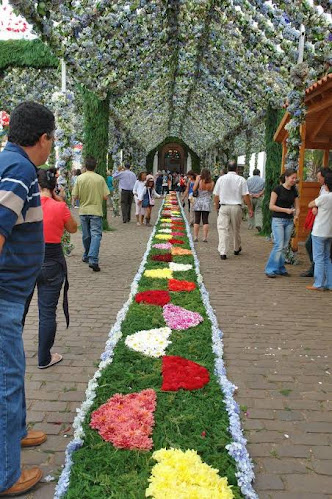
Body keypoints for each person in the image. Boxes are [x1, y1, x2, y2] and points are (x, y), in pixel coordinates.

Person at [0, 101, 55, 496]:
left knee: (13, 372)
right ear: (43, 138)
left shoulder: (12, 163)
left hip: (12, 294)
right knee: (5, 380)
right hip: (3, 296)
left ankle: (16, 434)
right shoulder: (19, 170)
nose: (52, 146)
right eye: (52, 139)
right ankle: (6, 474)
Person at [24, 169, 77, 368]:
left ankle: (8, 354)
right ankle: (44, 358)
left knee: (19, 309)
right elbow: (72, 228)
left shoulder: (27, 204)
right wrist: (57, 200)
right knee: (47, 312)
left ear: (36, 185)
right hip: (52, 261)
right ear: (54, 186)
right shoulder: (60, 206)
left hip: (27, 259)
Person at [72, 156, 109, 272]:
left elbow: (75, 196)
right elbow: (105, 196)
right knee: (96, 235)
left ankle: (87, 255)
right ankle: (92, 258)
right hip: (96, 210)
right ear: (95, 166)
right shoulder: (100, 179)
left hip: (83, 210)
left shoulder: (80, 178)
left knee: (86, 235)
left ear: (85, 166)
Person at [214, 160, 253, 260]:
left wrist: (216, 207)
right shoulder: (241, 179)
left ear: (227, 168)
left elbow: (216, 195)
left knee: (223, 229)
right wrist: (250, 208)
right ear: (237, 169)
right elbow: (246, 195)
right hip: (236, 206)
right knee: (236, 228)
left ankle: (223, 251)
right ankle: (236, 248)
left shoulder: (221, 179)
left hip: (224, 206)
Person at [265, 168, 300, 278]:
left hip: (289, 221)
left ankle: (280, 267)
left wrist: (296, 215)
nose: (294, 180)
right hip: (278, 220)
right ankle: (270, 268)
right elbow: (271, 206)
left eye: (295, 178)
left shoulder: (294, 191)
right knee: (279, 245)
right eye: (292, 178)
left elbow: (297, 207)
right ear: (286, 177)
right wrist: (285, 210)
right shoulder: (277, 189)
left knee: (285, 246)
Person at [301, 167, 331, 277]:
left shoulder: (327, 192)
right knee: (325, 253)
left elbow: (313, 203)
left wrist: (315, 206)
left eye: (319, 178)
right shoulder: (323, 189)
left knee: (315, 249)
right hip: (322, 223)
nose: (318, 180)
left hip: (322, 225)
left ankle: (318, 277)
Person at [306, 172, 332, 291]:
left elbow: (310, 204)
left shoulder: (325, 197)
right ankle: (330, 283)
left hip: (319, 231)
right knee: (327, 258)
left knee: (318, 258)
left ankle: (318, 283)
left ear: (326, 184)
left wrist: (315, 207)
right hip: (329, 232)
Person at [192, 168, 214, 242]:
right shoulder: (212, 183)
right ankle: (205, 237)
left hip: (198, 201)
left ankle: (195, 237)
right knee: (205, 220)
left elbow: (194, 189)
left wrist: (197, 180)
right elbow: (211, 191)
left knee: (197, 220)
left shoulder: (200, 181)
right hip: (207, 202)